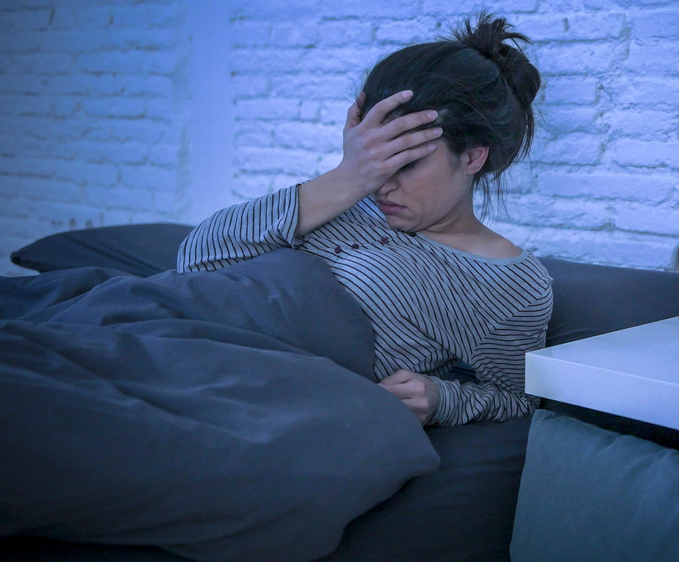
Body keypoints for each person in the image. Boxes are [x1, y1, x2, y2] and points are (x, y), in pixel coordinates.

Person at [177, 13, 552, 427]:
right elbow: (197, 258)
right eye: (375, 158)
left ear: (472, 157)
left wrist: (442, 397)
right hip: (186, 337)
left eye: (406, 164)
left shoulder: (512, 285)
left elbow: (520, 399)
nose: (382, 185)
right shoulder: (344, 197)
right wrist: (347, 176)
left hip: (253, 396)